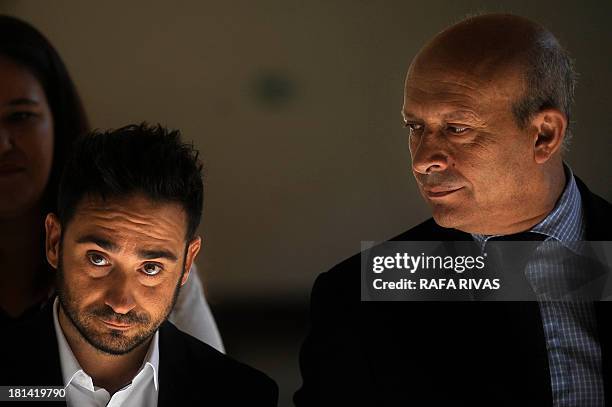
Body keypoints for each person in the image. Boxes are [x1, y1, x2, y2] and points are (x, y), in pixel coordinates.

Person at [295, 13, 612, 406]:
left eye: (457, 128)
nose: (423, 160)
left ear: (544, 135)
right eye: (415, 128)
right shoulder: (357, 301)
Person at [2, 123, 278, 406]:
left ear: (186, 263)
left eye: (150, 268)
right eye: (98, 259)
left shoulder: (243, 395)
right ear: (55, 243)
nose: (121, 302)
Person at [0, 15, 224, 352]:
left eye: (21, 117)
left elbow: (209, 385)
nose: (2, 144)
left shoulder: (156, 264)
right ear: (54, 241)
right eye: (96, 259)